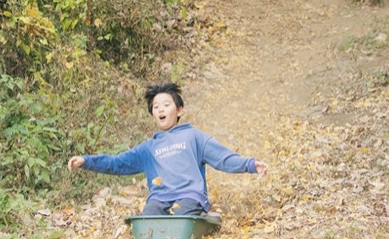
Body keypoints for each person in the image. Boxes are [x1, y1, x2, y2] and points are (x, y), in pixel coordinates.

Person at [67, 83, 269, 216]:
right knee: (149, 217)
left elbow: (222, 158)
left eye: (166, 104)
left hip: (190, 195)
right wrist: (87, 161)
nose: (161, 109)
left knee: (180, 214)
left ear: (179, 110)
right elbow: (117, 163)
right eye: (156, 107)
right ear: (152, 114)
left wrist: (250, 164)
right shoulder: (149, 148)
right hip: (160, 197)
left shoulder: (193, 136)